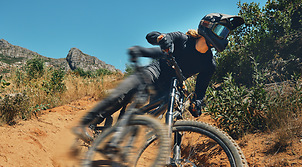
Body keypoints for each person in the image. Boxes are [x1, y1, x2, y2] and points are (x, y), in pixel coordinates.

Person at [72, 13, 244, 143]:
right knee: (128, 90)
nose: (224, 36)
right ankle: (89, 123)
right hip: (156, 71)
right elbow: (152, 35)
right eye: (221, 30)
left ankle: (122, 144)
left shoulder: (209, 64)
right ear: (207, 25)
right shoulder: (182, 39)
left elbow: (200, 92)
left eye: (226, 33)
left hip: (170, 87)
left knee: (151, 119)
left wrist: (197, 103)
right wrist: (162, 39)